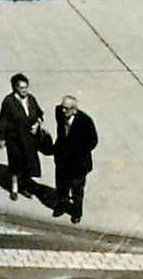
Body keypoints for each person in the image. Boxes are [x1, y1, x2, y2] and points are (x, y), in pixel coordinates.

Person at [0, 72, 46, 201]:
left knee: (27, 163)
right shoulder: (8, 101)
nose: (25, 90)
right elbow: (2, 121)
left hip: (29, 138)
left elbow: (40, 114)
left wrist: (37, 124)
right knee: (15, 164)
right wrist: (2, 138)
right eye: (22, 88)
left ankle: (23, 186)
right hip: (14, 138)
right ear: (15, 88)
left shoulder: (31, 99)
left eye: (26, 87)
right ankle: (14, 189)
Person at [52, 95, 99, 223]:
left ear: (74, 110)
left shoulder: (85, 121)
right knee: (61, 187)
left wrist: (79, 151)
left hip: (78, 165)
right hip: (62, 161)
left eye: (66, 109)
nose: (63, 111)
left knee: (77, 190)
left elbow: (93, 141)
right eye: (63, 107)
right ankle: (61, 206)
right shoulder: (59, 113)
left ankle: (77, 213)